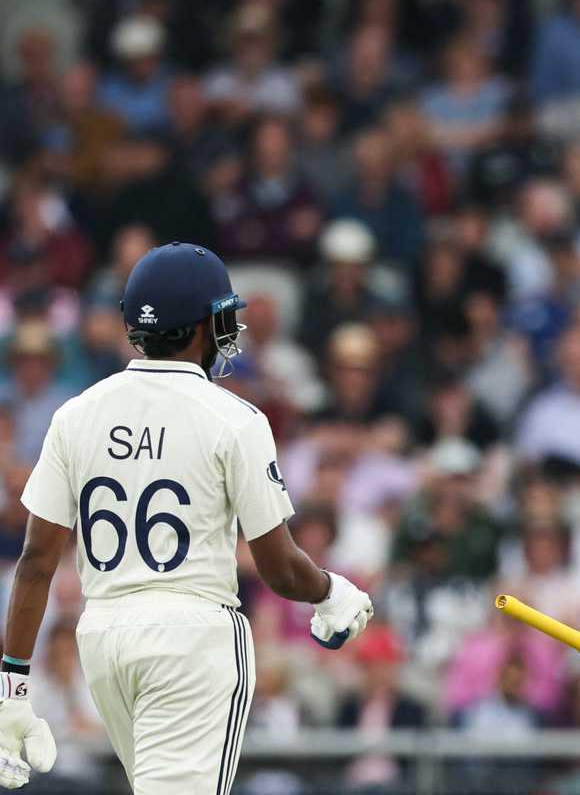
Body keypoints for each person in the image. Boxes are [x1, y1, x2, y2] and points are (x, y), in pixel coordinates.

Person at [0, 243, 373, 791]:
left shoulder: (75, 414)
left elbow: (35, 561)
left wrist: (11, 687)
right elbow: (279, 568)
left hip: (102, 637)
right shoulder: (235, 418)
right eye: (223, 315)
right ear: (201, 326)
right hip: (192, 637)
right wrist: (330, 591)